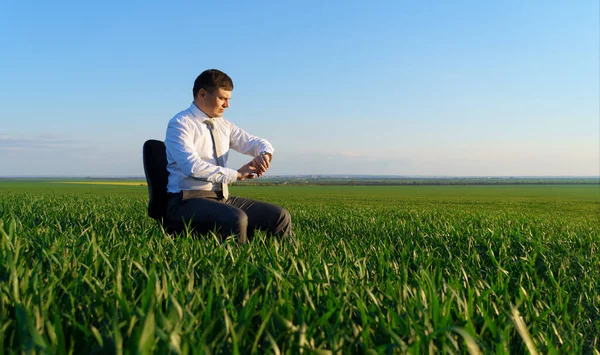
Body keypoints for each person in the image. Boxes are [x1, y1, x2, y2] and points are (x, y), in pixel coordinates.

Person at [164, 69, 292, 243]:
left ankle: (284, 265)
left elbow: (252, 141)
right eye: (222, 98)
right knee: (236, 218)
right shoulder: (180, 124)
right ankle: (237, 267)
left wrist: (264, 153)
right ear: (202, 94)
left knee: (280, 216)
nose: (227, 105)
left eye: (228, 99)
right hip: (186, 200)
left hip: (221, 198)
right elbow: (192, 167)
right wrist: (236, 175)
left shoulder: (224, 125)